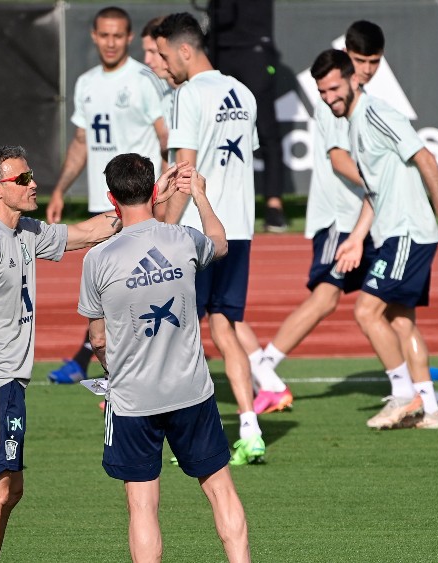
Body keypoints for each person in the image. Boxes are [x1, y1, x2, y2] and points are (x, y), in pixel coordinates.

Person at [0, 145, 133, 561]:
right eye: (23, 179)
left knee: (12, 490)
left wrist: (143, 202)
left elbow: (87, 233)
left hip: (10, 381)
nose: (34, 184)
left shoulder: (25, 230)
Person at [78, 153, 250, 563]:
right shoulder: (182, 239)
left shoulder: (97, 259)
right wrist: (200, 195)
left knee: (142, 505)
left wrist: (112, 369)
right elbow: (220, 242)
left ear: (111, 197)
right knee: (221, 489)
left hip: (133, 398)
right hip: (191, 390)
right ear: (154, 190)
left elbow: (98, 338)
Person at [312, 49, 438, 430]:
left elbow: (425, 158)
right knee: (401, 322)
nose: (329, 97)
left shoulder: (376, 114)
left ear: (353, 80)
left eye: (334, 88)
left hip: (407, 232)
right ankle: (430, 410)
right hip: (394, 232)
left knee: (366, 312)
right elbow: (375, 191)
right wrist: (356, 238)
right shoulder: (353, 123)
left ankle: (404, 394)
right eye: (322, 92)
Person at [246, 20, 385, 415]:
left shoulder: (363, 100)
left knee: (389, 301)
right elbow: (340, 160)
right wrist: (382, 183)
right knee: (326, 298)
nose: (366, 69)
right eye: (359, 60)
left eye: (373, 61)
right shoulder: (335, 101)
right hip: (339, 218)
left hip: (363, 217)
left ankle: (415, 383)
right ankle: (265, 366)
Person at [152, 12, 267, 464]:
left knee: (180, 334)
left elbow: (186, 170)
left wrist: (162, 230)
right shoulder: (243, 92)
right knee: (224, 326)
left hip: (198, 231)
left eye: (165, 56)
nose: (164, 65)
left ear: (185, 50)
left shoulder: (189, 94)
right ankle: (251, 429)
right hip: (239, 229)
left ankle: (195, 438)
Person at [46, 6, 170, 385]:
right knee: (109, 289)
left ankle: (122, 370)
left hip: (139, 205)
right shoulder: (86, 83)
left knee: (133, 288)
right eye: (105, 35)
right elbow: (81, 142)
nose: (111, 42)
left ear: (129, 37)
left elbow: (167, 139)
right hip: (106, 205)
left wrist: (162, 199)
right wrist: (60, 190)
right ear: (94, 36)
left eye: (118, 35)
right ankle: (99, 363)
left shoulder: (144, 80)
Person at [207, 0, 288, 232]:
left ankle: (274, 204)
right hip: (219, 50)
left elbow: (229, 14)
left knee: (266, 129)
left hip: (254, 49)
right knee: (216, 129)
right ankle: (216, 201)